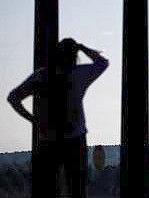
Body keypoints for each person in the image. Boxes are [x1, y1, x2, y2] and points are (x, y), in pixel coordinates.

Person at [7, 38, 108, 198]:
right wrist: (82, 48)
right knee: (77, 186)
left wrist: (33, 120)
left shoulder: (41, 76)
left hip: (48, 139)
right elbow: (102, 63)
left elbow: (13, 97)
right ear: (74, 56)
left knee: (47, 187)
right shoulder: (78, 74)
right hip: (75, 137)